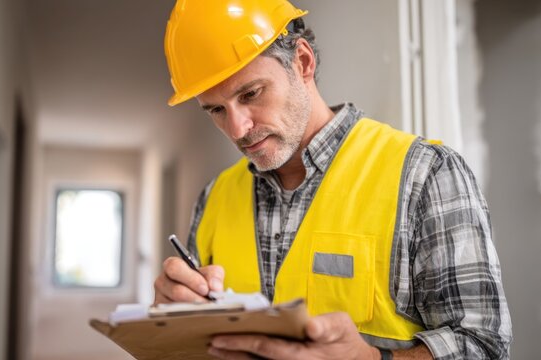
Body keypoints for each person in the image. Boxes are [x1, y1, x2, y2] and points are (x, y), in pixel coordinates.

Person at [154, 0, 512, 359]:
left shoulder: (426, 175)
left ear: (303, 62)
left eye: (250, 94)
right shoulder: (214, 197)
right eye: (216, 109)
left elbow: (483, 346)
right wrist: (175, 322)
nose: (237, 129)